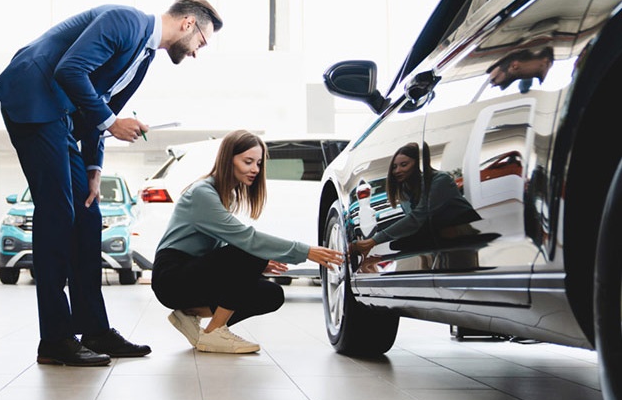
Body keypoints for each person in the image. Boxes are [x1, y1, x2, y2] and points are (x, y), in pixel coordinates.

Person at [0, 0, 223, 367]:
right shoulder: (125, 22)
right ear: (188, 24)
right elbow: (70, 70)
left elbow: (99, 105)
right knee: (58, 213)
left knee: (87, 214)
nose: (197, 52)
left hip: (60, 114)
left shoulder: (143, 56)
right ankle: (54, 338)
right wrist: (112, 123)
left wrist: (94, 169)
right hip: (33, 95)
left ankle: (94, 328)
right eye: (202, 42)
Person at [150, 130, 345, 354]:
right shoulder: (202, 193)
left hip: (192, 272)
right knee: (249, 250)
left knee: (271, 295)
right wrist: (305, 251)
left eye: (259, 163)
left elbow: (223, 245)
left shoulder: (226, 194)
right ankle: (214, 332)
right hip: (172, 277)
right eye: (248, 161)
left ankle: (189, 314)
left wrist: (259, 263)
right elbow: (246, 239)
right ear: (228, 159)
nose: (255, 169)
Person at [352, 142, 481, 258]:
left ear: (417, 164)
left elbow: (418, 218)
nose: (397, 171)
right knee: (397, 245)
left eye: (404, 165)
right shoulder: (404, 191)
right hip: (440, 241)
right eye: (394, 167)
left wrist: (374, 240)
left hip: (465, 236)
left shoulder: (440, 181)